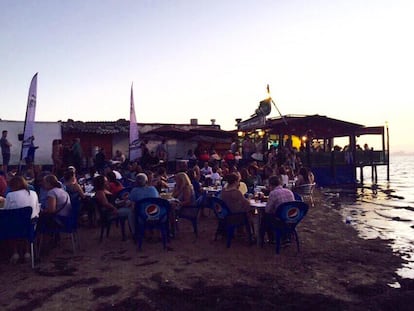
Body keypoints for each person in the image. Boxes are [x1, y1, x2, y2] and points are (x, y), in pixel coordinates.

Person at [4, 176, 40, 263]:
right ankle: (27, 252)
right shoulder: (33, 193)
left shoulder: (10, 195)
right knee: (26, 226)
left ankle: (15, 252)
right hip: (31, 224)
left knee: (10, 224)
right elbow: (37, 209)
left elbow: (7, 211)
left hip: (15, 225)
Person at [261, 175, 295, 243]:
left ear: (271, 185)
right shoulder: (289, 192)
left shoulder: (273, 193)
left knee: (265, 217)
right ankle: (286, 237)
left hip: (280, 220)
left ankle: (268, 239)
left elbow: (268, 210)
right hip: (291, 218)